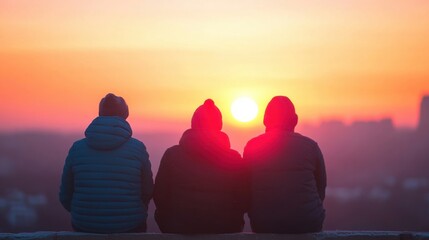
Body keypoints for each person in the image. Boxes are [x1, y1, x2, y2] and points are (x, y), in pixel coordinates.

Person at [59, 93, 153, 233]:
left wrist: (86, 214)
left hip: (84, 226)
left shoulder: (77, 148)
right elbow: (147, 191)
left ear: (100, 113)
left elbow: (65, 195)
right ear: (125, 115)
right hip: (130, 225)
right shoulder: (138, 149)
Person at [153, 99, 248, 234]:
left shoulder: (171, 155)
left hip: (178, 227)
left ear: (193, 124)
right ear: (219, 125)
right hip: (225, 227)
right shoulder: (234, 158)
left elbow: (159, 196)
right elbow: (243, 200)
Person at [243, 96, 326, 233]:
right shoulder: (311, 147)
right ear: (295, 120)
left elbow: (245, 189)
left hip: (264, 224)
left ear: (265, 120)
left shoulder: (252, 147)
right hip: (307, 223)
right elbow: (320, 189)